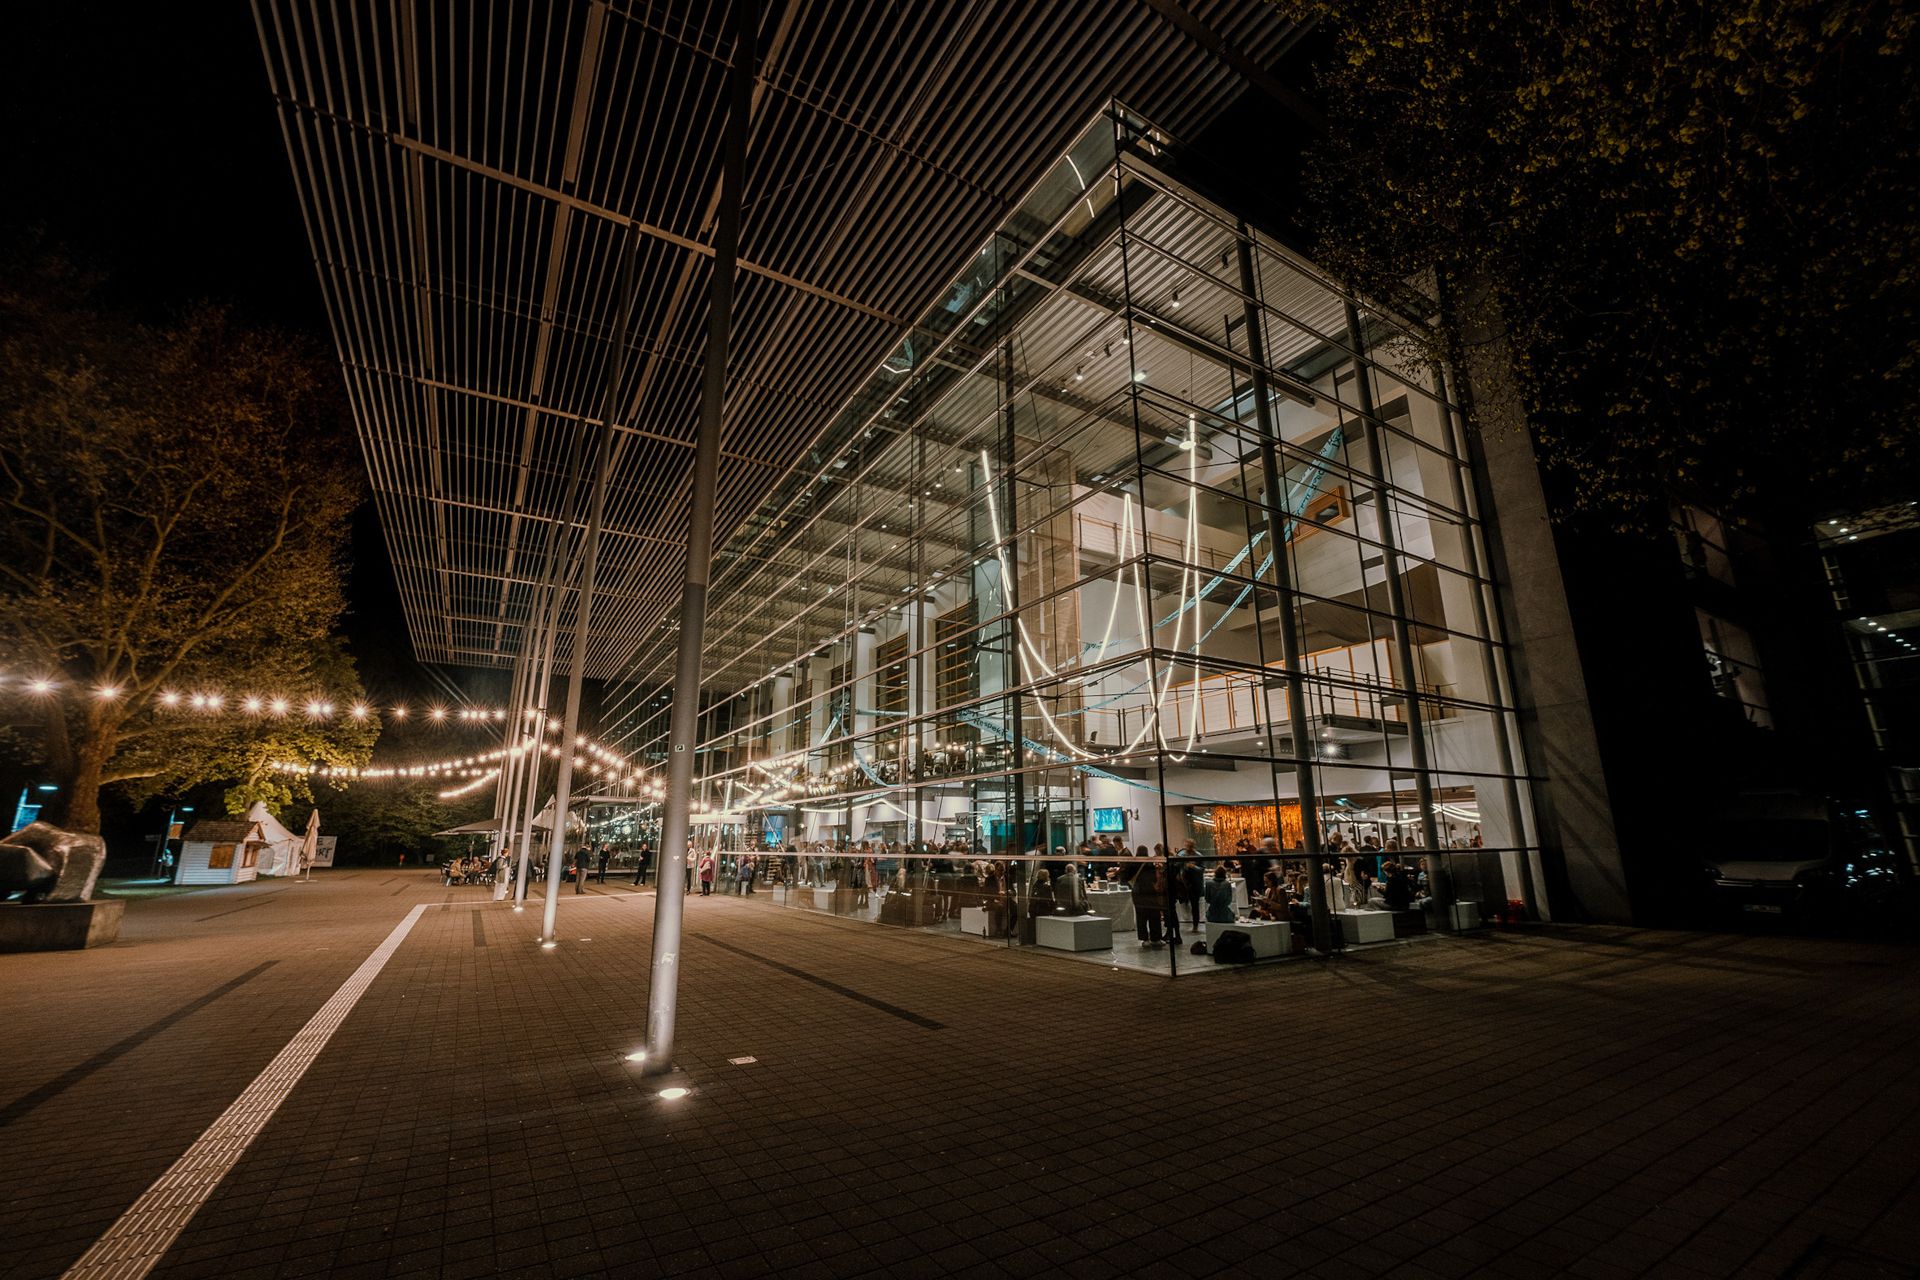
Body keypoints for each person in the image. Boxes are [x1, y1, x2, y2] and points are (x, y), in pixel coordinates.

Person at [1130, 848, 1164, 945]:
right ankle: (1155, 937)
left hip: (1137, 892)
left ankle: (1144, 938)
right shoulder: (1150, 864)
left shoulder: (1133, 864)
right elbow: (1154, 878)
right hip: (1149, 892)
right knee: (1154, 915)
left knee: (1141, 916)